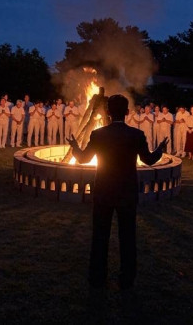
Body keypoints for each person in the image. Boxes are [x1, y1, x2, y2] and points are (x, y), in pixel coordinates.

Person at [67, 94, 167, 290]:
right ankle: (127, 278)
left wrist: (75, 148)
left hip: (103, 192)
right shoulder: (136, 135)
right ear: (128, 112)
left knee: (100, 236)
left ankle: (97, 277)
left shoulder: (98, 134)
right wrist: (160, 149)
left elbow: (84, 159)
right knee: (128, 236)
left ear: (108, 113)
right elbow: (148, 160)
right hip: (127, 193)